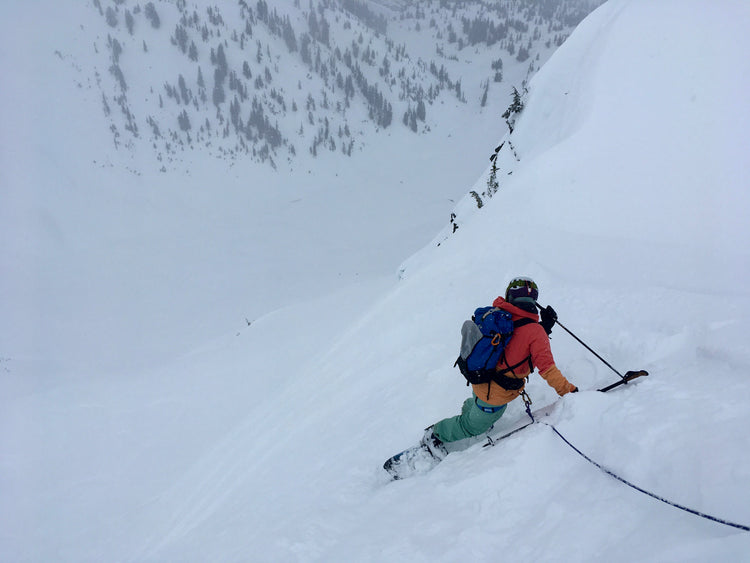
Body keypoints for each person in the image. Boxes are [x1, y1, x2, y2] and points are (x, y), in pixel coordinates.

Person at [422, 276, 577, 459]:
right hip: (494, 396)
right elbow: (547, 368)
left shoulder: (501, 315)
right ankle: (435, 435)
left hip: (481, 376)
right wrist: (570, 392)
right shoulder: (536, 332)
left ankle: (472, 407)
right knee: (471, 426)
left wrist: (544, 328)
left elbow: (517, 339)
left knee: (478, 404)